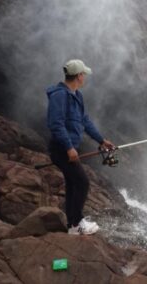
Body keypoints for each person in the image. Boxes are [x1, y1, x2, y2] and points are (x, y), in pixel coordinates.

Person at [46, 59, 114, 235]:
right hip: (61, 149)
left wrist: (101, 140)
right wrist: (69, 148)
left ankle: (71, 225)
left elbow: (85, 121)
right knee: (82, 183)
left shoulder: (77, 95)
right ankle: (77, 224)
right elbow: (56, 124)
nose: (85, 77)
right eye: (84, 74)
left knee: (72, 184)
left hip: (68, 148)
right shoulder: (59, 95)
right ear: (78, 76)